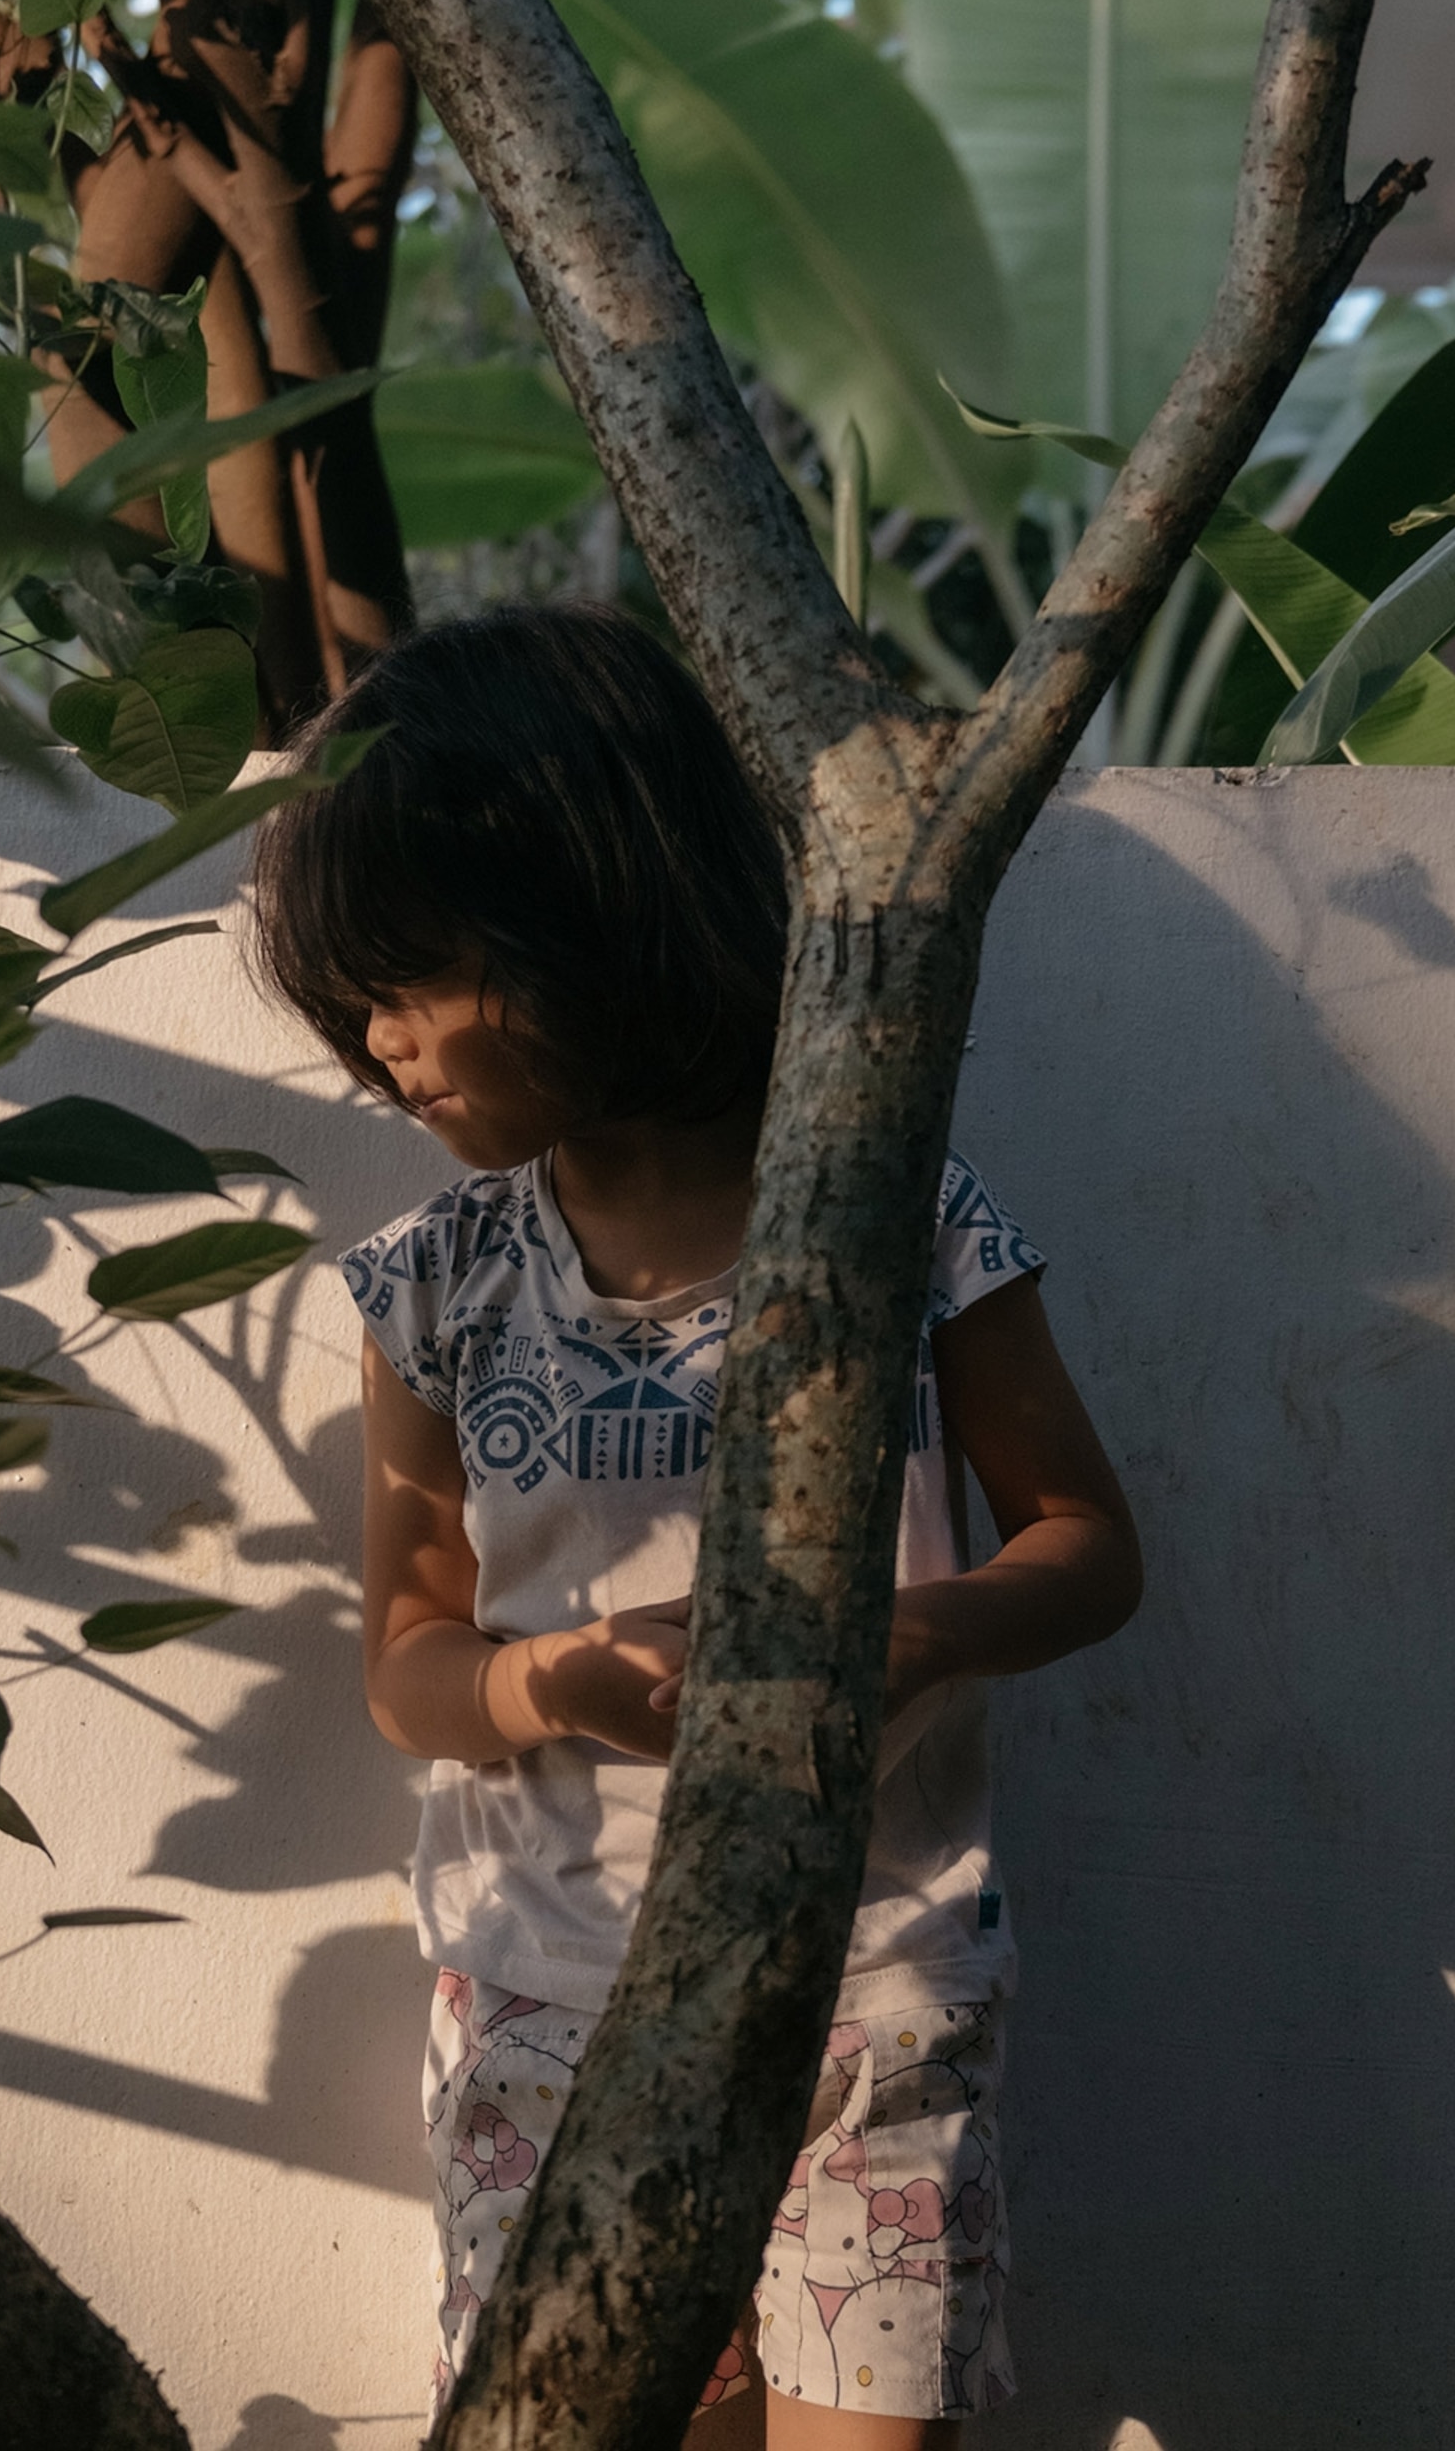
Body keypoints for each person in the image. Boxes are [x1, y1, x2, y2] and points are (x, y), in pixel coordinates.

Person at [249, 603, 1143, 2450]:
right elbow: (409, 1662)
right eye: (359, 1006)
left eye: (416, 977)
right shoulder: (436, 1290)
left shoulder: (896, 1210)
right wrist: (550, 1683)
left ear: (597, 906)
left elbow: (1084, 1538)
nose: (384, 1045)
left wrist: (925, 1631)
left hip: (876, 1987)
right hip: (548, 1991)